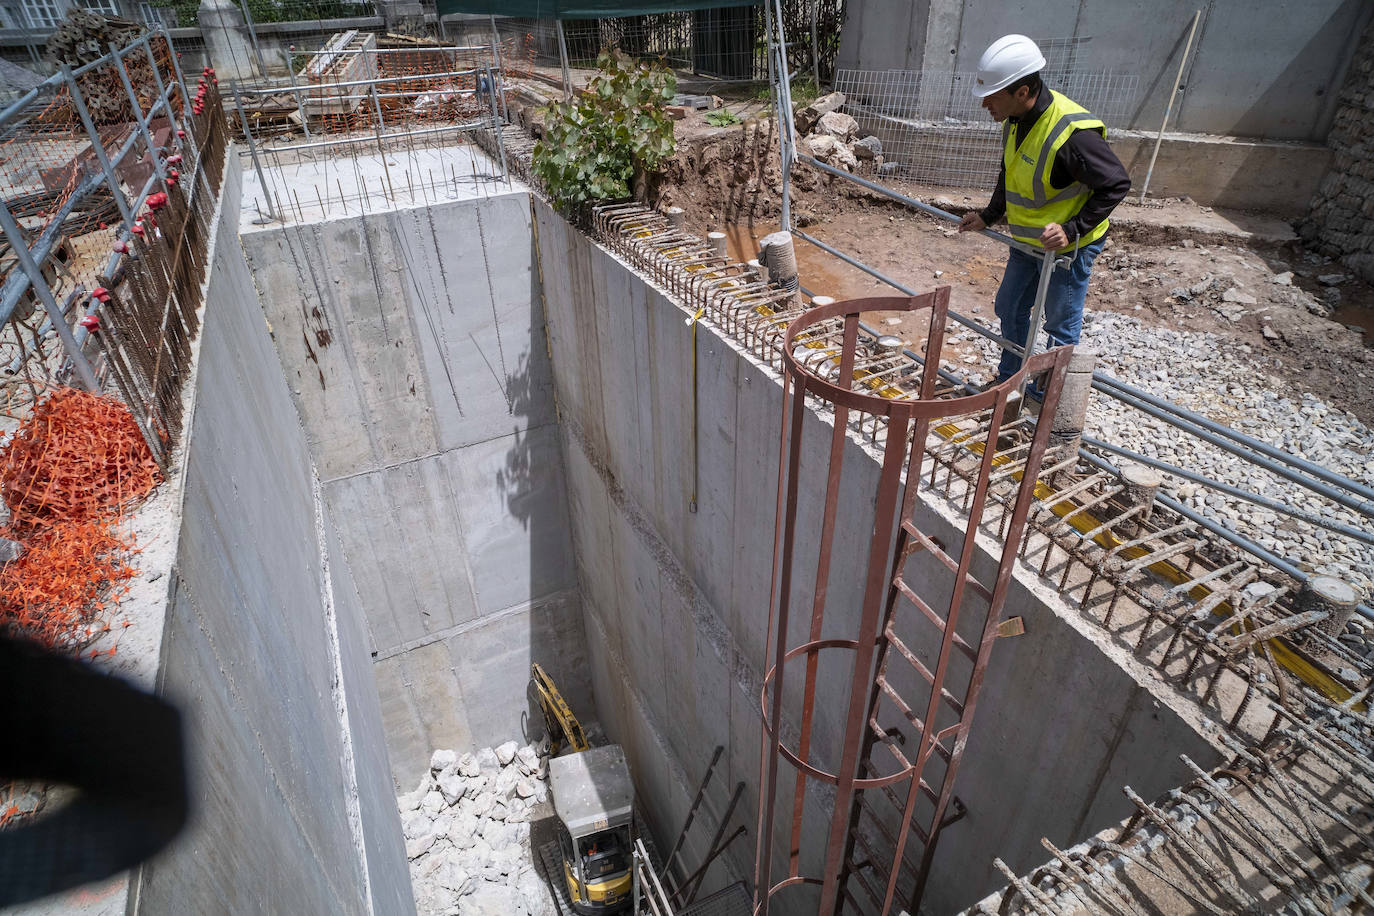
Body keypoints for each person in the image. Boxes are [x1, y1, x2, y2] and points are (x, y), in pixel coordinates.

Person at [957, 34, 1131, 390]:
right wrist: (990, 215)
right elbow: (1011, 171)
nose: (985, 104)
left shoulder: (1072, 133)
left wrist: (1072, 228)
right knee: (1010, 307)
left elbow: (1115, 183)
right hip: (1027, 243)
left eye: (993, 96)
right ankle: (1010, 381)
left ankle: (1046, 398)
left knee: (1059, 325)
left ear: (1022, 92)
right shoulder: (1015, 121)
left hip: (1068, 248)